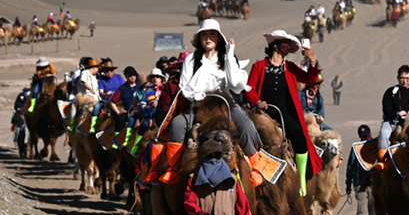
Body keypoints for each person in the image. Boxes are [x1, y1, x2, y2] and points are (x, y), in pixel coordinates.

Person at [160, 19, 261, 185]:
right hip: (198, 104)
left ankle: (256, 168)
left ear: (218, 37)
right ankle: (173, 168)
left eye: (212, 34)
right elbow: (185, 88)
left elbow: (235, 84)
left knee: (247, 126)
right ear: (199, 38)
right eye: (204, 34)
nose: (208, 38)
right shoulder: (191, 60)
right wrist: (199, 95)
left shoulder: (227, 58)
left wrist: (230, 54)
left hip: (225, 103)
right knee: (178, 124)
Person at [245, 30, 323, 196]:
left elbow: (310, 79)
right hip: (264, 114)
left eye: (288, 45)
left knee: (300, 138)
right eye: (284, 44)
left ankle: (301, 179)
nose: (286, 48)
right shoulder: (259, 67)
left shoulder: (290, 68)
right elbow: (249, 89)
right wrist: (257, 102)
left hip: (286, 113)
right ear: (274, 45)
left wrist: (312, 60)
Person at [372, 65, 409, 171]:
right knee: (384, 133)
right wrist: (397, 113)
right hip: (392, 121)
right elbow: (386, 109)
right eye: (402, 78)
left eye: (407, 78)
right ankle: (382, 160)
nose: (405, 81)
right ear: (398, 78)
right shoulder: (390, 92)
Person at [346, 125, 374, 215]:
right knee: (362, 210)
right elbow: (350, 166)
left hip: (373, 185)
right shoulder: (356, 148)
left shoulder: (375, 147)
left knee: (372, 211)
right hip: (360, 184)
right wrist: (348, 184)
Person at [68, 58, 102, 133]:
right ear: (94, 68)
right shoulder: (84, 73)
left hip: (96, 97)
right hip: (85, 95)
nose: (98, 69)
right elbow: (83, 82)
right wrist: (90, 89)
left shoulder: (95, 76)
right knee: (74, 104)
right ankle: (72, 123)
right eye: (97, 68)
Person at [108, 66, 140, 143]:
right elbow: (112, 102)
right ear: (126, 76)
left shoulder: (140, 86)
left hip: (140, 110)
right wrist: (118, 112)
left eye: (134, 75)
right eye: (130, 75)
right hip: (128, 112)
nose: (132, 77)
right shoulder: (121, 89)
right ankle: (117, 140)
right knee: (120, 119)